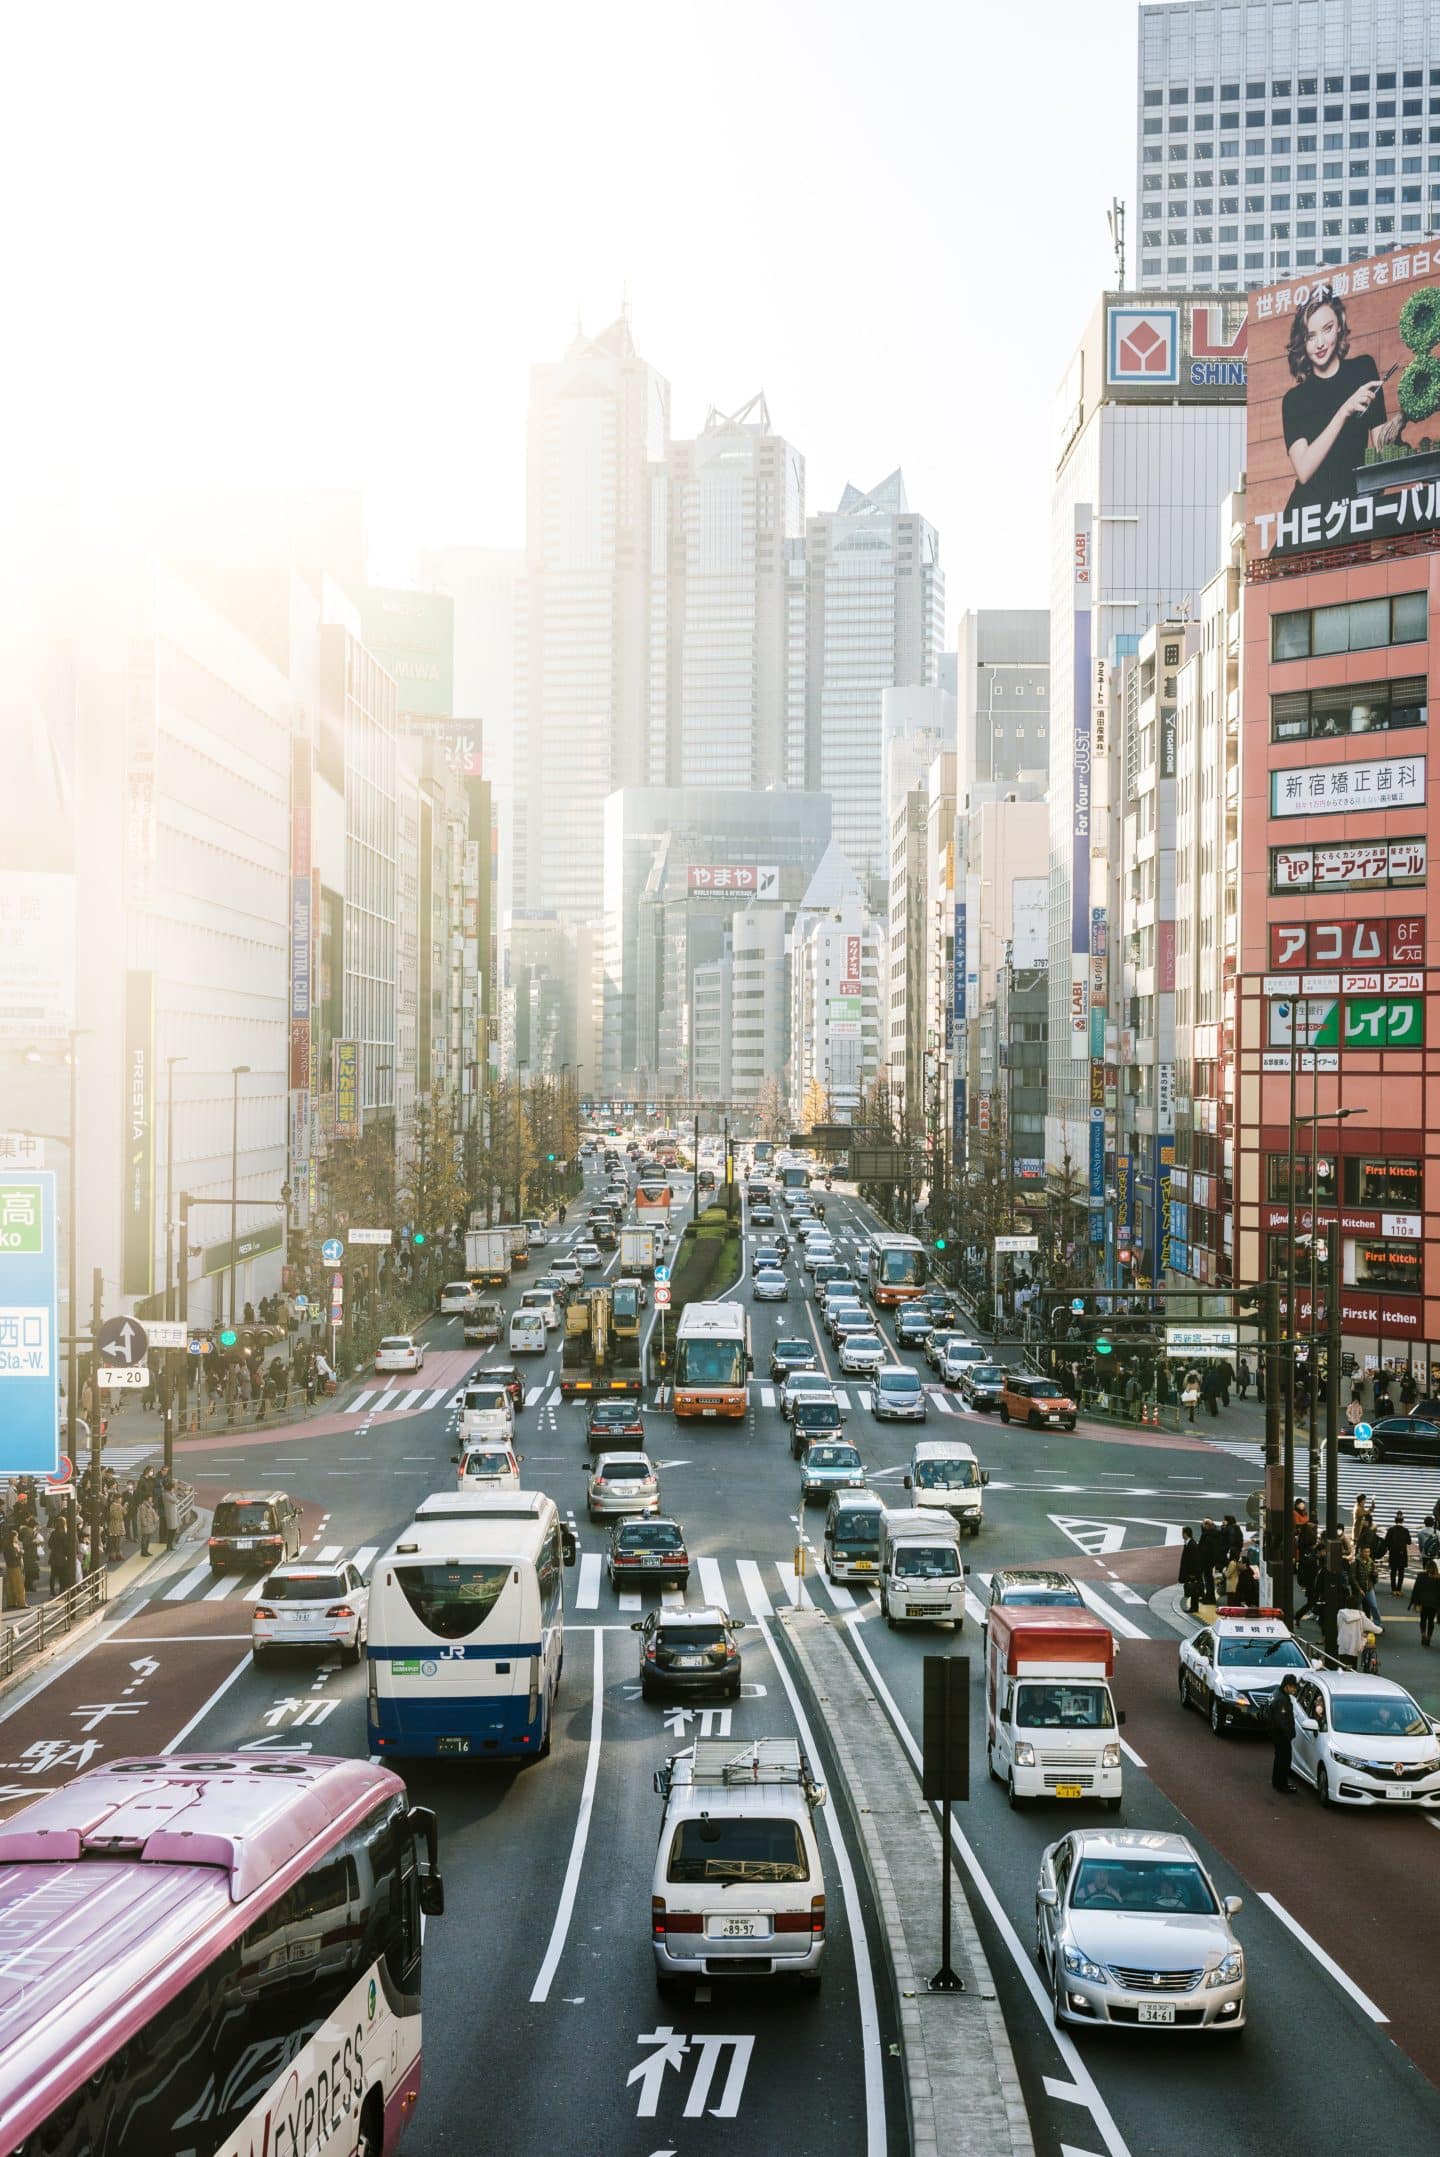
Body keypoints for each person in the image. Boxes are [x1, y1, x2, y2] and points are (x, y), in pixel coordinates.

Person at [1276, 292, 1403, 555]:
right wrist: (1344, 410)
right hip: (1305, 520)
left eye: (1327, 329)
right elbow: (1304, 469)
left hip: (1351, 511)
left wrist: (1404, 419)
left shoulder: (1362, 369)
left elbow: (1380, 448)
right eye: (1311, 336)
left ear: (1340, 326)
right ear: (1303, 342)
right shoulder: (1294, 400)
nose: (1320, 343)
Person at [1269, 1675, 1300, 1794]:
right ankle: (1282, 1785)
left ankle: (1276, 1782)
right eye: (1293, 1688)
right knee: (1285, 1760)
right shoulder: (1282, 1700)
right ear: (1287, 1686)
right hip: (1281, 1735)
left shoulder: (1277, 1693)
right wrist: (1289, 1734)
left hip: (1275, 1734)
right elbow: (1281, 1721)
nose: (1294, 1690)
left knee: (1279, 1758)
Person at [1409, 1560, 1440, 1647]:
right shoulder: (1438, 1578)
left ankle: (1423, 1635)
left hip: (1423, 1603)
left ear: (1426, 1567)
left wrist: (1415, 1602)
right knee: (1431, 1621)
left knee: (1423, 1619)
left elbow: (1416, 1590)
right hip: (1434, 1604)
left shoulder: (1421, 1576)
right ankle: (1429, 1638)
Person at [1384, 1512, 1413, 1595]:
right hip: (1402, 1553)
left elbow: (1386, 1542)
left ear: (1395, 1521)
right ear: (1403, 1521)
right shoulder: (1405, 1531)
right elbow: (1409, 1542)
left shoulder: (1390, 1530)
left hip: (1393, 1553)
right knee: (1401, 1572)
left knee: (1393, 1571)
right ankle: (1399, 1589)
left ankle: (1393, 1589)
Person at [1178, 1524, 1204, 1615]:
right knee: (1193, 1590)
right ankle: (1193, 1607)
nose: (1182, 1535)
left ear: (1185, 1534)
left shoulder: (1192, 1545)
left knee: (1194, 1590)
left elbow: (1195, 1560)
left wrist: (1193, 1573)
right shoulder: (1189, 1543)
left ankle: (1194, 1607)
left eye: (1182, 1533)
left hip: (1192, 1572)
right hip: (1191, 1571)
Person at [136, 1491, 157, 1558]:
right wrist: (145, 1523)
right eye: (150, 1497)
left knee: (147, 1538)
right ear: (147, 1498)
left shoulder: (149, 1505)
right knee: (145, 1538)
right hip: (146, 1524)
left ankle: (146, 1551)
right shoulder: (143, 1506)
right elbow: (142, 1516)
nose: (151, 1498)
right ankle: (143, 1551)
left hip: (149, 1524)